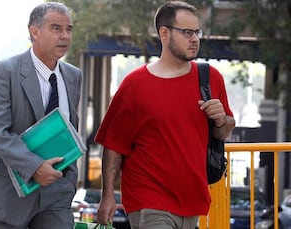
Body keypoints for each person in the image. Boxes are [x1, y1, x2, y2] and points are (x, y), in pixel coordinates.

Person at [94, 1, 235, 229]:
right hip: (149, 201)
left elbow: (224, 131)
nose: (195, 39)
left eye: (197, 32)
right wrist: (107, 195)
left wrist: (221, 120)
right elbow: (114, 146)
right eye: (187, 32)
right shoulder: (135, 85)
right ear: (164, 33)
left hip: (193, 203)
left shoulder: (210, 78)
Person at [0, 2, 82, 229]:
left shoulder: (73, 76)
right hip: (7, 195)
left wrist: (69, 179)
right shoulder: (2, 72)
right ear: (35, 31)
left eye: (69, 29)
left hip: (56, 193)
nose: (65, 36)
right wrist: (35, 167)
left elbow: (68, 129)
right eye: (56, 28)